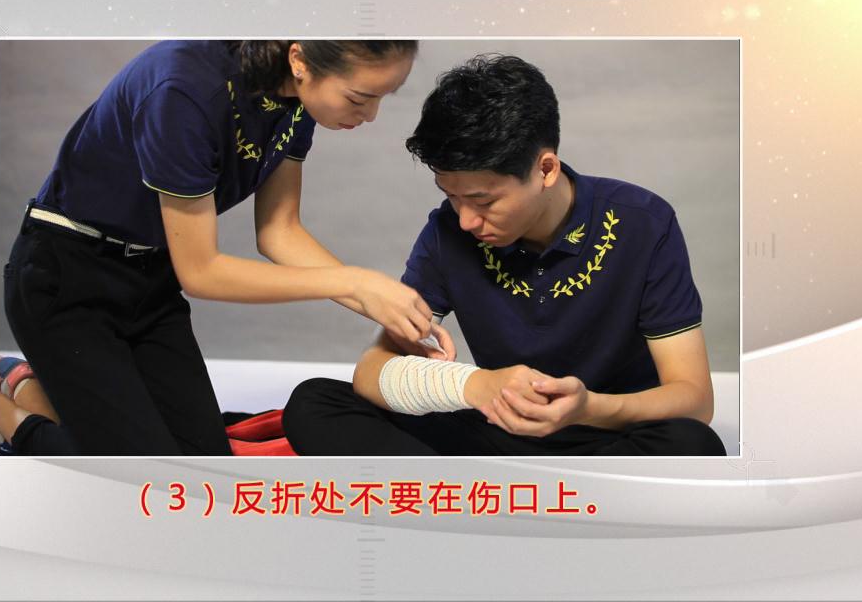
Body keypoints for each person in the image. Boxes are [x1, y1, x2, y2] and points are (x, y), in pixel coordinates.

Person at [0, 39, 454, 455]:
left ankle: (34, 386)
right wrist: (357, 283)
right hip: (66, 280)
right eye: (359, 98)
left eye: (383, 96)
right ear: (299, 59)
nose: (371, 115)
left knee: (205, 463)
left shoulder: (297, 100)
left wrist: (388, 308)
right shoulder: (183, 91)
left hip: (149, 280)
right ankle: (5, 413)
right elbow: (201, 272)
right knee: (146, 478)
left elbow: (279, 232)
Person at [283, 54, 726, 456]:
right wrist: (476, 385)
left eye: (483, 201)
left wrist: (588, 408)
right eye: (451, 196)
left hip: (608, 433)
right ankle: (523, 501)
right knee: (315, 402)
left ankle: (479, 499)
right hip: (496, 432)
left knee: (693, 444)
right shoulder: (447, 232)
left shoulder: (643, 222)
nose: (466, 221)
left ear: (545, 169)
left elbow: (694, 399)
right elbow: (372, 371)